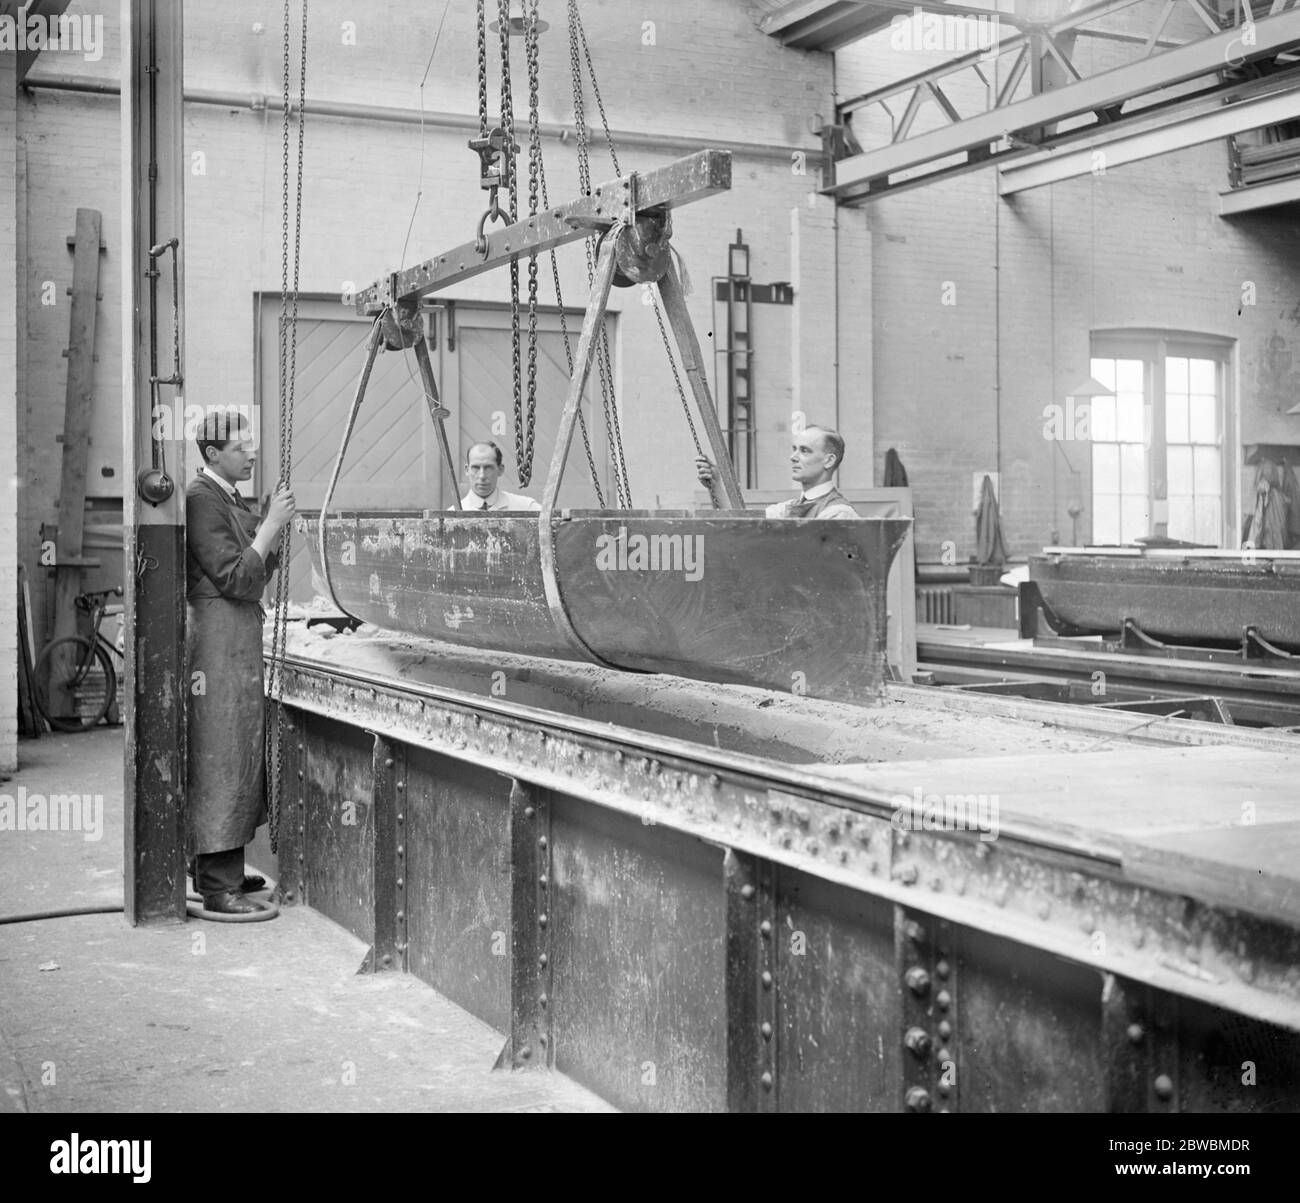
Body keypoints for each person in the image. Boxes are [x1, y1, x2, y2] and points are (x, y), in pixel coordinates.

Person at [185, 411, 296, 915]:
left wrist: (269, 525)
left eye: (252, 444)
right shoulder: (199, 499)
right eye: (241, 447)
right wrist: (270, 526)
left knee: (234, 748)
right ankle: (217, 885)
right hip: (216, 638)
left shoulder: (227, 497)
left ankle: (217, 870)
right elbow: (235, 578)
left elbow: (255, 574)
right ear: (212, 455)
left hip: (233, 635)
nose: (252, 453)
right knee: (222, 751)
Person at [696, 424, 858, 519]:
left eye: (805, 451)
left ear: (829, 460)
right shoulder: (788, 508)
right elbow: (741, 524)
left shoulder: (838, 514)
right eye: (794, 449)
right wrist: (716, 485)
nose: (793, 457)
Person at [459, 440, 542, 511]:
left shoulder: (527, 507)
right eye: (475, 468)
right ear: (467, 470)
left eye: (488, 468)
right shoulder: (451, 514)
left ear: (500, 469)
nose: (482, 476)